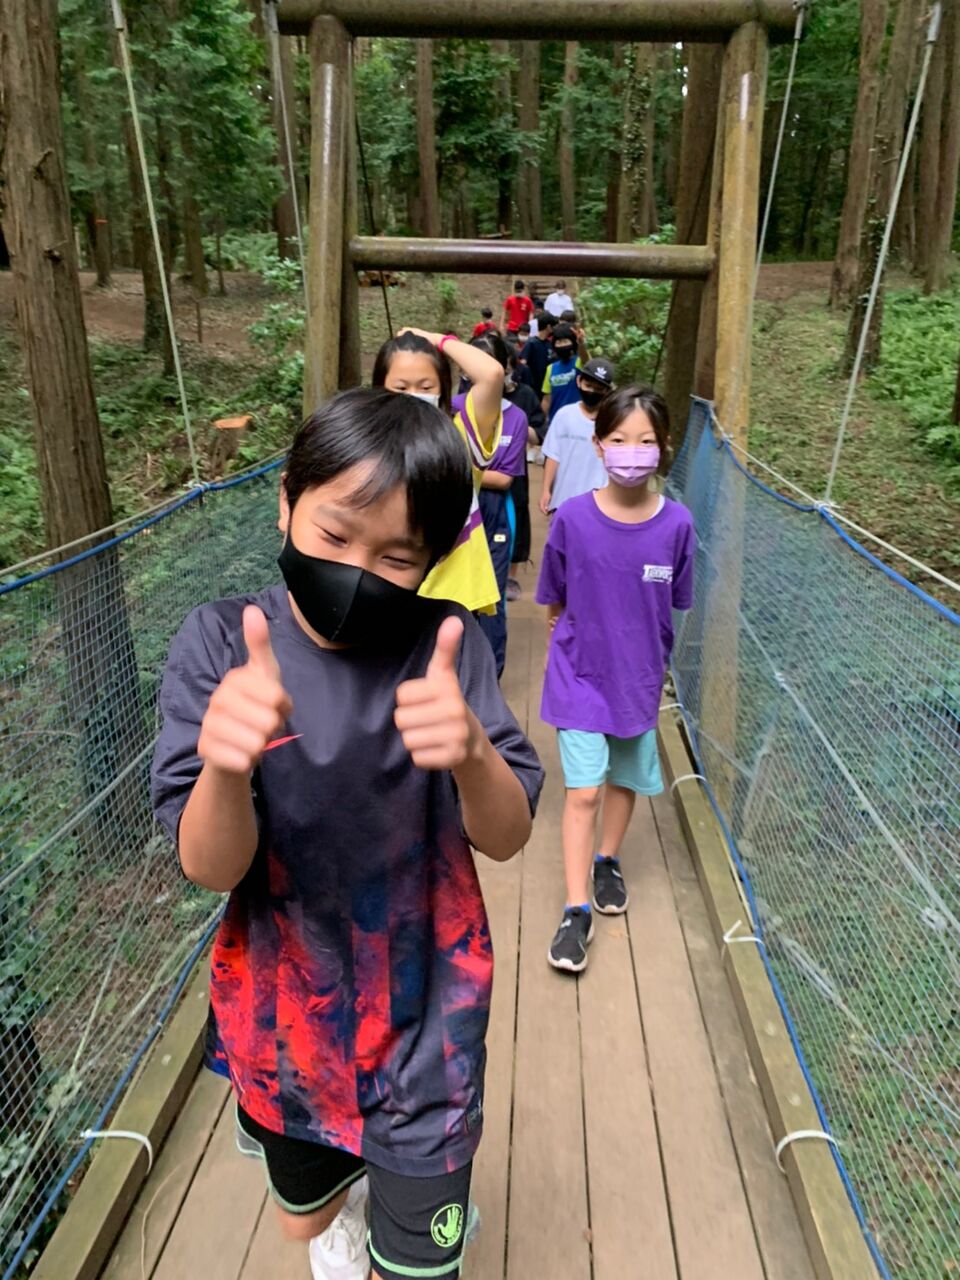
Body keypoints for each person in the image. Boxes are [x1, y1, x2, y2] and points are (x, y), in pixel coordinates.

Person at [152, 388, 545, 1280]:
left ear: (434, 560)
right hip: (284, 1026)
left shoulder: (445, 647)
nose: (358, 569)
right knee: (308, 1220)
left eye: (396, 556)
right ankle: (347, 1211)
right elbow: (210, 868)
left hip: (429, 1030)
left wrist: (473, 752)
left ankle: (390, 1207)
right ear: (286, 502)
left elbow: (508, 835)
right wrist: (224, 767)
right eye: (333, 535)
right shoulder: (220, 644)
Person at [535, 385, 694, 974]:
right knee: (583, 791)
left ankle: (608, 858)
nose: (632, 452)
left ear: (664, 446)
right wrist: (565, 637)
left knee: (624, 777)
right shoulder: (574, 518)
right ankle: (576, 908)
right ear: (599, 445)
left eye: (645, 441)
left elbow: (675, 600)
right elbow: (553, 596)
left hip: (638, 678)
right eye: (620, 440)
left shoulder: (678, 525)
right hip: (578, 674)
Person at [372, 328, 504, 617]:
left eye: (426, 387)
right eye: (401, 388)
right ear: (380, 388)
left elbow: (492, 374)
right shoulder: (366, 446)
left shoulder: (463, 437)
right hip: (385, 595)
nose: (414, 396)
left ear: (443, 387)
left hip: (454, 599)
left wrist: (435, 339)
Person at [457, 332, 530, 676]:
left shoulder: (515, 418)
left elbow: (504, 479)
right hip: (454, 511)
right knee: (453, 595)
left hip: (495, 513)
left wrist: (461, 468)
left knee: (492, 599)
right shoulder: (451, 407)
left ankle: (489, 677)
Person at [540, 357, 616, 515]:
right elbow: (553, 455)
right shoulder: (564, 415)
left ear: (607, 391)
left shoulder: (612, 422)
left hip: (598, 504)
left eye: (599, 389)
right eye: (588, 385)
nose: (592, 392)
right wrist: (546, 490)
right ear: (579, 381)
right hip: (563, 500)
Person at [504, 351, 545, 601]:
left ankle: (511, 575)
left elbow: (539, 433)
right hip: (482, 470)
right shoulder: (476, 394)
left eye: (506, 370)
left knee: (517, 516)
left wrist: (518, 426)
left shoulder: (525, 395)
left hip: (515, 470)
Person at [540, 324, 582, 429]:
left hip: (577, 421)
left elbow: (586, 360)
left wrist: (581, 343)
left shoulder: (578, 363)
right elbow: (547, 398)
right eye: (559, 342)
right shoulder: (551, 368)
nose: (562, 345)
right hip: (556, 422)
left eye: (565, 341)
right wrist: (541, 419)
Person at [521, 311, 555, 393]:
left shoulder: (549, 344)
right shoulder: (531, 343)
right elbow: (523, 363)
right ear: (548, 327)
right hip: (533, 387)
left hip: (546, 385)